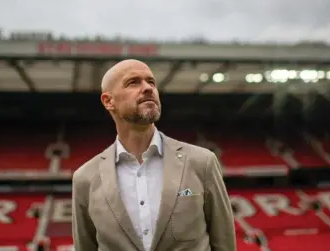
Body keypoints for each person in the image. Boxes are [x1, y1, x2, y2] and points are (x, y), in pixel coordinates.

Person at [72, 59, 236, 251]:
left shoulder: (202, 162)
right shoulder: (85, 178)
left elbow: (224, 244)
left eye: (151, 82)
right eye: (133, 82)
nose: (148, 88)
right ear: (109, 101)